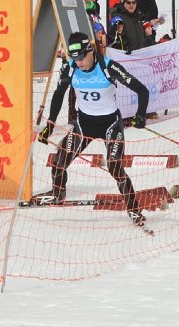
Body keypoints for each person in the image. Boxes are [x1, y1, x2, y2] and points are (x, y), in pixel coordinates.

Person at [36, 32, 150, 226]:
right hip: (84, 124)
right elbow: (58, 94)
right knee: (59, 161)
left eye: (81, 57)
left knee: (115, 166)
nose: (79, 62)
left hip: (110, 125)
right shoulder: (70, 68)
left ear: (90, 51)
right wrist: (50, 125)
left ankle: (134, 210)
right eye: (75, 58)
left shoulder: (108, 67)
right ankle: (58, 192)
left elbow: (142, 90)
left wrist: (140, 115)